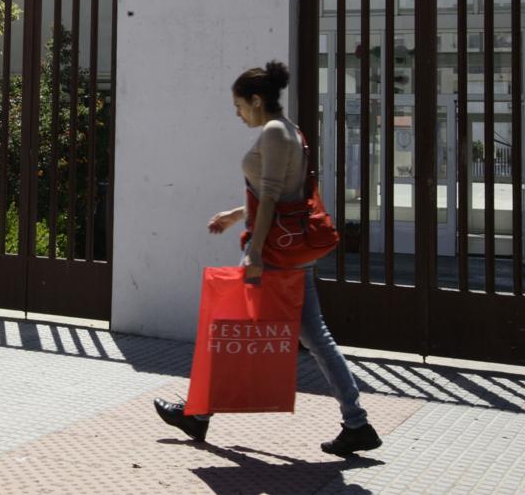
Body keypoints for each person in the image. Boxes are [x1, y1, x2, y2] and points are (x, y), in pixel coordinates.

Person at [153, 60, 383, 458]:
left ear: (257, 100)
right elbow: (277, 195)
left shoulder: (276, 132)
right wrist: (234, 214)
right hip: (289, 251)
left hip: (273, 255)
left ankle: (198, 414)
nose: (238, 114)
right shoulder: (291, 130)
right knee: (315, 338)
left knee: (225, 329)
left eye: (239, 106)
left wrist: (255, 253)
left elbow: (274, 198)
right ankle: (357, 422)